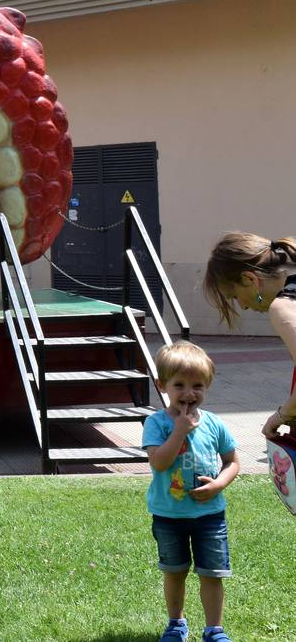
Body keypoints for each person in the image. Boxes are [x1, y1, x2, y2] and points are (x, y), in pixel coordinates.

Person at [141, 342, 238, 642]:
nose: (189, 393)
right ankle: (176, 624)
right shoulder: (156, 423)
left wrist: (219, 484)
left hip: (210, 515)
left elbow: (232, 462)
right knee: (175, 572)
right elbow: (158, 462)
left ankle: (214, 630)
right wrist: (180, 430)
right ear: (162, 385)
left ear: (207, 386)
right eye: (179, 385)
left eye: (197, 385)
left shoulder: (214, 424)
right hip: (169, 515)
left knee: (212, 574)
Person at [202, 232, 296, 441]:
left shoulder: (283, 306)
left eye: (235, 296)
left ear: (249, 279)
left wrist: (280, 416)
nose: (243, 305)